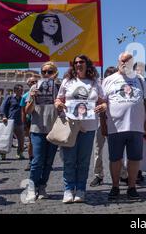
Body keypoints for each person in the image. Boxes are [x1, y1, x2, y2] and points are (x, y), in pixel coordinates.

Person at [55, 54, 106, 203]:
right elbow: (59, 99)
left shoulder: (95, 82)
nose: (78, 64)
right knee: (69, 160)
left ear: (87, 64)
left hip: (89, 127)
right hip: (70, 126)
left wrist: (103, 106)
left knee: (83, 161)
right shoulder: (67, 81)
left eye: (81, 62)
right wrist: (58, 103)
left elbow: (103, 102)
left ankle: (81, 190)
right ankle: (68, 189)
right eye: (76, 62)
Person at [102, 52, 146, 200]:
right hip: (115, 126)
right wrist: (102, 123)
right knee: (115, 158)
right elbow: (102, 102)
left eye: (127, 61)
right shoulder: (109, 80)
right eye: (122, 61)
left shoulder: (140, 79)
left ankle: (132, 187)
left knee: (134, 158)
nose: (124, 63)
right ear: (118, 62)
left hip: (136, 126)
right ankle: (115, 186)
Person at [24, 62, 60, 202]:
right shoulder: (34, 86)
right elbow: (27, 111)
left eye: (49, 71)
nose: (46, 74)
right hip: (37, 128)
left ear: (55, 73)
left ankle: (42, 186)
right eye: (44, 71)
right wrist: (32, 98)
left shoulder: (59, 87)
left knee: (49, 161)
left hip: (53, 130)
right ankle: (32, 187)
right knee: (37, 161)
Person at [90, 66, 118, 187]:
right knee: (98, 150)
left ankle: (122, 174)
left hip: (115, 122)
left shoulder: (118, 87)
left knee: (118, 150)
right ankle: (98, 175)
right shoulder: (98, 88)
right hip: (99, 123)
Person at [134, 62, 146, 184]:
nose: (139, 71)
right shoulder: (130, 84)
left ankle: (138, 171)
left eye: (142, 69)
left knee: (142, 148)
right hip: (132, 121)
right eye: (137, 69)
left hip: (144, 121)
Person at [0, 84, 26, 160]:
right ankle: (3, 153)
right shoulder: (9, 97)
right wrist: (4, 116)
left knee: (21, 139)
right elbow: (3, 107)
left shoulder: (23, 99)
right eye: (19, 90)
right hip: (9, 121)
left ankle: (19, 153)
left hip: (20, 121)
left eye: (22, 90)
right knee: (6, 138)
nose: (21, 91)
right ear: (15, 90)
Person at [20, 77, 38, 171]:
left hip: (41, 121)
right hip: (30, 121)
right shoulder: (24, 96)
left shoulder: (41, 93)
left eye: (35, 81)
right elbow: (23, 111)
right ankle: (31, 161)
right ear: (28, 84)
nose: (34, 83)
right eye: (32, 82)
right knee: (31, 142)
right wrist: (23, 124)